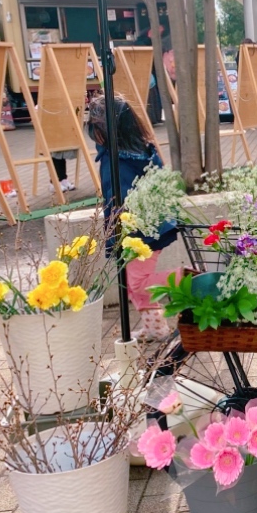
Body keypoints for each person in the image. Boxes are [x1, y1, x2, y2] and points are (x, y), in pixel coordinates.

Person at [85, 93, 177, 340]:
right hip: (148, 226)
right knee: (131, 281)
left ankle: (185, 279)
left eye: (95, 128)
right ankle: (155, 328)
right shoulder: (141, 151)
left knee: (137, 282)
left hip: (141, 231)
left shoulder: (120, 160)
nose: (94, 134)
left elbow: (123, 198)